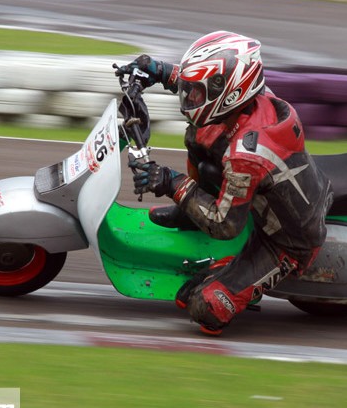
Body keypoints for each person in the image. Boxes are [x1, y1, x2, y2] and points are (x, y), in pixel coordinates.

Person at [116, 31, 333, 335]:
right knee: (201, 133)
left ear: (230, 91)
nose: (190, 98)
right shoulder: (253, 98)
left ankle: (227, 267)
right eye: (191, 90)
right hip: (272, 192)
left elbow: (224, 224)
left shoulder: (248, 155)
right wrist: (160, 71)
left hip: (286, 240)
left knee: (203, 307)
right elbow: (205, 89)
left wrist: (171, 182)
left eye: (197, 92)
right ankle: (191, 213)